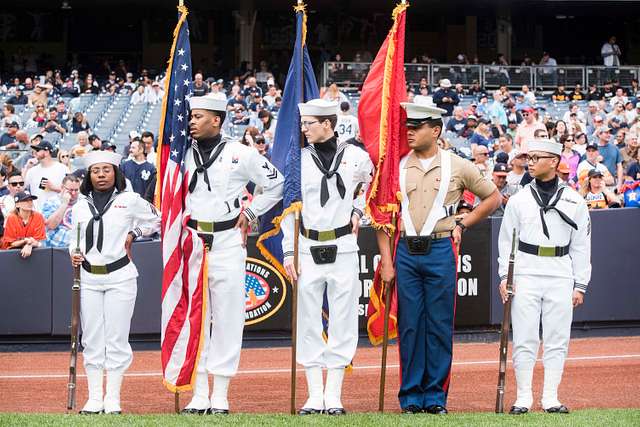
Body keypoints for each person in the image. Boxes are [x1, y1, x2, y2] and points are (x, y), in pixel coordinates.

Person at [377, 95, 500, 414]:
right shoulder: (397, 166)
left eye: (417, 127)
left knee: (439, 324)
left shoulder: (457, 165)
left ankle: (435, 396)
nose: (409, 132)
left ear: (435, 129)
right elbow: (382, 214)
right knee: (410, 325)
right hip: (405, 249)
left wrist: (465, 221)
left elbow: (492, 197)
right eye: (408, 127)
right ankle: (411, 396)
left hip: (440, 248)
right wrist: (387, 262)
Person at [181, 94, 283, 415]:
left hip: (227, 239)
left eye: (199, 116)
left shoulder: (241, 153)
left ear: (217, 119)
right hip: (192, 239)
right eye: (191, 116)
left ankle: (220, 393)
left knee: (227, 317)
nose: (192, 121)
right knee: (196, 317)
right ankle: (198, 393)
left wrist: (252, 212)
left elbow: (277, 183)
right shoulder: (180, 153)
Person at [280, 99, 372, 416]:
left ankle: (333, 395)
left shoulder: (357, 157)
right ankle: (313, 395)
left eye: (310, 123)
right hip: (307, 245)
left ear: (328, 124)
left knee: (343, 320)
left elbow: (375, 188)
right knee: (308, 320)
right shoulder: (297, 160)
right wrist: (289, 250)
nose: (304, 129)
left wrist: (360, 210)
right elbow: (289, 207)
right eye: (303, 123)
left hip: (343, 245)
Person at [498, 138, 591, 415]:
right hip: (525, 269)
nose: (531, 162)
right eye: (529, 157)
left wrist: (580, 283)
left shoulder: (575, 199)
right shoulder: (519, 199)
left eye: (537, 157)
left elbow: (581, 245)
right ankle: (523, 396)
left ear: (553, 161)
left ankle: (550, 396)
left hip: (560, 271)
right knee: (525, 337)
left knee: (557, 338)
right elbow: (506, 241)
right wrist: (505, 275)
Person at [69, 150, 160, 414]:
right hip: (88, 277)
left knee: (117, 339)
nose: (101, 175)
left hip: (120, 276)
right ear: (89, 175)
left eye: (106, 170)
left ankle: (113, 398)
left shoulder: (130, 200)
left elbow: (158, 218)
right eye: (96, 171)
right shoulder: (79, 207)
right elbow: (74, 240)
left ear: (116, 173)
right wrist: (73, 253)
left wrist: (135, 232)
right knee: (92, 338)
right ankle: (95, 397)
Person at [1, 191, 46, 258]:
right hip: (12, 253)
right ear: (17, 205)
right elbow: (11, 243)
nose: (29, 203)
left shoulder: (38, 216)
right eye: (25, 200)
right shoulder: (11, 218)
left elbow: (39, 241)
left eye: (31, 200)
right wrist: (25, 241)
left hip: (34, 251)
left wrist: (29, 245)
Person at [24, 140, 68, 208]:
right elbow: (22, 187)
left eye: (38, 150)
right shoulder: (31, 171)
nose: (35, 153)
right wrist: (26, 167)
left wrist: (54, 188)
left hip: (56, 212)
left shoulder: (63, 168)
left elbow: (70, 191)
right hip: (37, 213)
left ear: (47, 152)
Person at [41, 174, 81, 247]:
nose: (73, 193)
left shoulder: (82, 203)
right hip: (56, 247)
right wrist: (64, 204)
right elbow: (51, 225)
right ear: (62, 188)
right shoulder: (51, 202)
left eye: (76, 190)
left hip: (77, 246)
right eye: (70, 190)